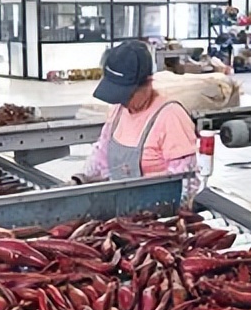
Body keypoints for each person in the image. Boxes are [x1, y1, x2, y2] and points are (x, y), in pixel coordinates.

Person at [72, 40, 203, 197]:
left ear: (148, 83)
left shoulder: (171, 116)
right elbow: (102, 154)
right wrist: (79, 180)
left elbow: (186, 183)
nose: (123, 101)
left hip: (157, 213)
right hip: (120, 208)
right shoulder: (118, 111)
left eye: (127, 94)